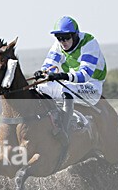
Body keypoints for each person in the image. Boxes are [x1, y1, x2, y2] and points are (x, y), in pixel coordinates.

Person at [34, 16, 107, 146]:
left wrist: (62, 76)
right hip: (71, 83)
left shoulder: (90, 43)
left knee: (66, 89)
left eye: (66, 37)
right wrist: (43, 72)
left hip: (91, 86)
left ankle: (64, 132)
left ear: (75, 35)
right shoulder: (59, 45)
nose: (63, 42)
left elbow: (85, 75)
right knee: (38, 88)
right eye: (59, 38)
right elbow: (49, 63)